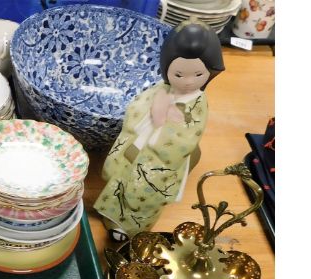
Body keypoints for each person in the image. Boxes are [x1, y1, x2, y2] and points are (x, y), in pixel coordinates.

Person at [93, 18, 225, 242]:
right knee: (119, 181)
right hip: (136, 145)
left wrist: (166, 120)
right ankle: (110, 217)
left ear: (209, 73)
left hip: (158, 161)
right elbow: (136, 107)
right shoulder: (160, 89)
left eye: (197, 75)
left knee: (142, 193)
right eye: (179, 75)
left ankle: (129, 230)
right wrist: (153, 109)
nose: (187, 81)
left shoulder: (198, 104)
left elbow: (187, 137)